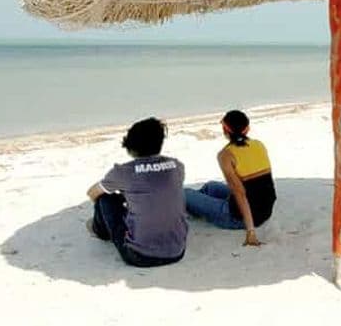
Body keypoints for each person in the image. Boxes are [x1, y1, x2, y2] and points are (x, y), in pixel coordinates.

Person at [86, 117, 188, 267]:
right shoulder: (177, 166)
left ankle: (99, 230)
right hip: (177, 251)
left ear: (130, 146)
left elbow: (92, 193)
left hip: (140, 256)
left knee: (104, 199)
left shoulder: (123, 172)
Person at [184, 110, 276, 246]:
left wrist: (250, 231)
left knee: (183, 193)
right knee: (211, 187)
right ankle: (194, 211)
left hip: (238, 217)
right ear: (247, 129)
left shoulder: (226, 155)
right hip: (265, 211)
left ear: (224, 130)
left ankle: (188, 212)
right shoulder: (258, 145)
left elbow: (240, 193)